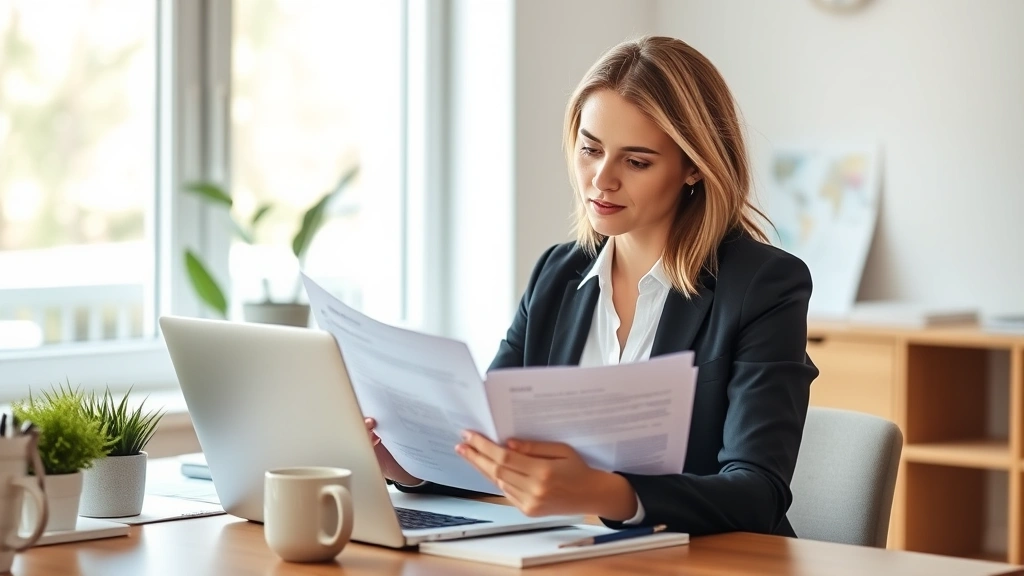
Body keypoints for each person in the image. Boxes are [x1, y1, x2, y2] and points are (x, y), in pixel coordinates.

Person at [365, 35, 818, 537]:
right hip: (571, 553)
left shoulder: (764, 286)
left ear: (693, 166)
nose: (601, 180)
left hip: (708, 564)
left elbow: (758, 493)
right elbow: (495, 453)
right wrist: (405, 464)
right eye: (591, 149)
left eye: (636, 161)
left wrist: (603, 492)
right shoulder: (557, 276)